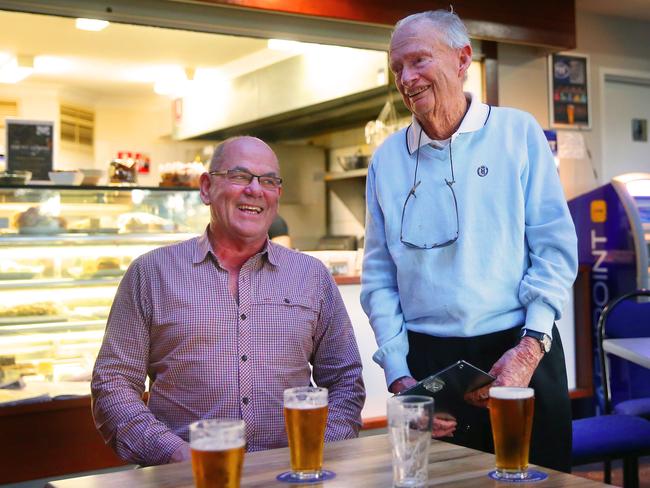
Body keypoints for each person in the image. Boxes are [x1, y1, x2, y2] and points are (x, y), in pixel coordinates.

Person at [360, 10, 577, 472]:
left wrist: (530, 347)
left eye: (419, 60)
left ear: (462, 60)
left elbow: (554, 251)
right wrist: (400, 376)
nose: (406, 78)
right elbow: (379, 277)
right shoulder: (386, 160)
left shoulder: (518, 133)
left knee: (538, 481)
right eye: (397, 67)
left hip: (520, 348)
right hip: (430, 365)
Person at [92, 136, 365, 466]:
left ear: (278, 193)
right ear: (206, 188)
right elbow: (114, 383)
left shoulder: (311, 275)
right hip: (186, 480)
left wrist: (315, 451)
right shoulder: (152, 273)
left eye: (268, 181)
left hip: (290, 478)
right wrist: (174, 453)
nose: (255, 190)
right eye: (239, 176)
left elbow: (345, 381)